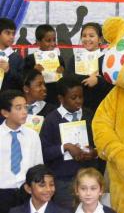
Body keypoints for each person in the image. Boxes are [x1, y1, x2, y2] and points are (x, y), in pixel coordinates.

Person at [40, 75, 104, 210]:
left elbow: (100, 142)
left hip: (89, 178)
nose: (79, 101)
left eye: (81, 97)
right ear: (61, 99)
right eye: (73, 98)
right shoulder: (51, 120)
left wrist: (94, 153)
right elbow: (44, 152)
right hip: (64, 181)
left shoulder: (89, 115)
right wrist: (65, 147)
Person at [0, 89, 43, 213]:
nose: (25, 112)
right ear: (5, 113)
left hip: (27, 191)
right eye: (18, 108)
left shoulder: (32, 135)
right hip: (3, 192)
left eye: (25, 107)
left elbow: (38, 166)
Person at [65, 22, 113, 112]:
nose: (87, 39)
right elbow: (68, 79)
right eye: (84, 36)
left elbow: (112, 84)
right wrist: (86, 79)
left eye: (91, 36)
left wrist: (98, 81)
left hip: (101, 107)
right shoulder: (74, 58)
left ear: (100, 40)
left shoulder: (107, 59)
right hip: (78, 108)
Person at [23, 24, 65, 106]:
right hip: (37, 97)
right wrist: (34, 71)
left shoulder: (59, 59)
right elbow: (24, 79)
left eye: (54, 40)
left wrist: (62, 71)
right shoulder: (30, 59)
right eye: (48, 40)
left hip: (55, 96)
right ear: (38, 42)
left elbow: (64, 78)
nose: (52, 43)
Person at [0, 18, 24, 91]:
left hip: (9, 98)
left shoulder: (17, 58)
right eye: (7, 33)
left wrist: (8, 71)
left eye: (13, 34)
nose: (11, 37)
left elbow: (23, 82)